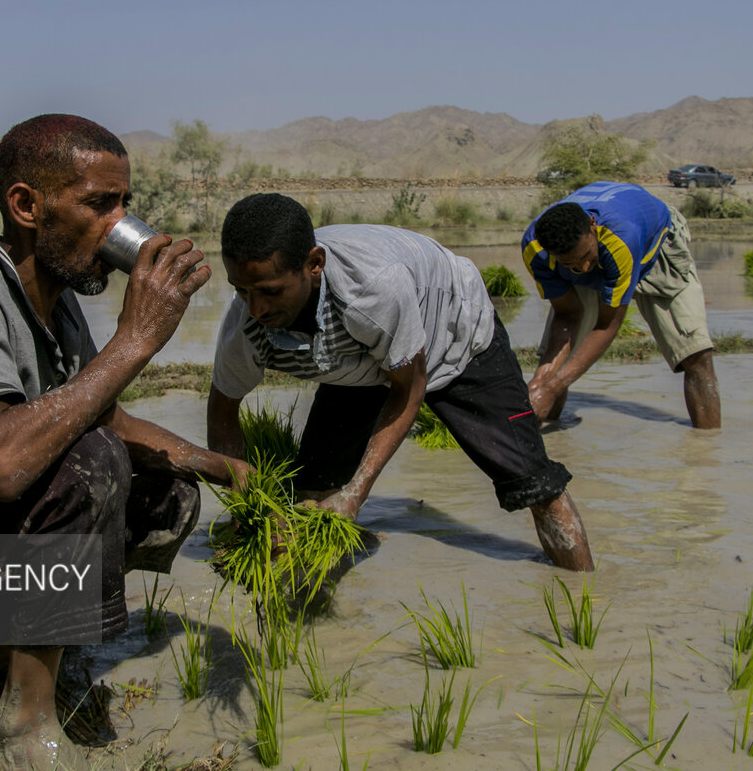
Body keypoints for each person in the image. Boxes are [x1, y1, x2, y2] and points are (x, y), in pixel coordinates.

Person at [0, 114, 247, 771]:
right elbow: (1, 464)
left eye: (124, 204)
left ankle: (25, 645)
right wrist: (135, 340)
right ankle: (24, 727)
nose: (118, 224)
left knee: (165, 487)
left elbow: (106, 415)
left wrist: (215, 463)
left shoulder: (56, 309)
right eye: (97, 203)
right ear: (26, 205)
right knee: (88, 463)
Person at [206, 193, 593, 572]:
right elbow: (223, 411)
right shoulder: (245, 324)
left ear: (314, 264)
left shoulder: (371, 291)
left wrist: (356, 494)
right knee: (315, 489)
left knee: (534, 482)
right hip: (357, 357)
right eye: (242, 290)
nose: (256, 309)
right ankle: (322, 614)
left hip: (452, 331)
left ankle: (586, 593)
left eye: (271, 292)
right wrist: (245, 507)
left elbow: (409, 388)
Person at [521, 181, 721, 429]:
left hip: (654, 249)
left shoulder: (621, 238)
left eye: (584, 257)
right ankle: (545, 435)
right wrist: (541, 383)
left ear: (592, 227)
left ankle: (708, 453)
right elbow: (568, 314)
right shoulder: (536, 250)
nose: (583, 269)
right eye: (570, 263)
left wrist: (552, 389)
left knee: (696, 355)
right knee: (552, 365)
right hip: (603, 249)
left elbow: (607, 325)